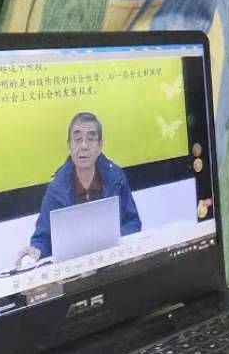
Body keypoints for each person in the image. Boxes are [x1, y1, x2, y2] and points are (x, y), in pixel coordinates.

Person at [15, 112, 141, 268]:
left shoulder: (116, 178)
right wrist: (35, 251)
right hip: (76, 268)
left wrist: (113, 241)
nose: (84, 146)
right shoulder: (57, 188)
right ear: (69, 145)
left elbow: (132, 222)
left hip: (112, 263)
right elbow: (43, 238)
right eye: (78, 139)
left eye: (91, 139)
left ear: (100, 145)